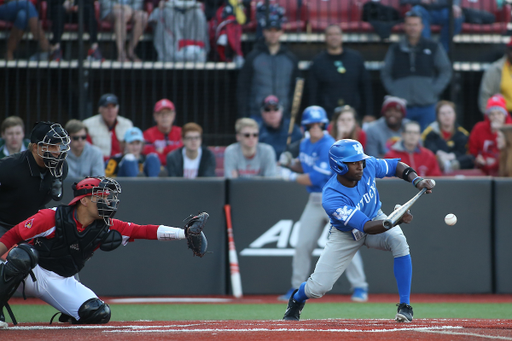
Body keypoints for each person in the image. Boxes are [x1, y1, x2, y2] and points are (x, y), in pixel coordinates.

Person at [0, 176, 208, 328]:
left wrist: (184, 233)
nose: (109, 201)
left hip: (60, 279)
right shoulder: (51, 217)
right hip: (28, 272)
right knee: (22, 255)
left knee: (98, 313)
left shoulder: (107, 225)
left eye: (109, 196)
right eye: (102, 196)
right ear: (83, 200)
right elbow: (9, 238)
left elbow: (143, 230)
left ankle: (69, 314)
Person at [282, 139, 436, 323]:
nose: (360, 166)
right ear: (339, 166)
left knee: (399, 241)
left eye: (360, 160)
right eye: (353, 162)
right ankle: (297, 298)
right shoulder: (332, 197)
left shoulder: (368, 165)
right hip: (346, 235)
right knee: (318, 288)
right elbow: (366, 227)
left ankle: (405, 306)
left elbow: (396, 166)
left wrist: (417, 180)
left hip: (376, 216)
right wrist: (396, 220)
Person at [278, 106, 369, 303]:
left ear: (325, 125)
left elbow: (316, 176)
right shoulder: (304, 144)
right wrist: (288, 163)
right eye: (311, 125)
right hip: (313, 201)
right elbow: (305, 165)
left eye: (319, 124)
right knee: (302, 245)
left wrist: (290, 176)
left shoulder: (328, 144)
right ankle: (296, 287)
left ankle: (360, 286)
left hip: (335, 200)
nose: (315, 128)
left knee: (347, 243)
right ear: (305, 127)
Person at [381, 10, 452, 132]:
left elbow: (445, 70)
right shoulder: (395, 48)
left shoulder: (433, 46)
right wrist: (395, 90)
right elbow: (385, 72)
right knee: (399, 142)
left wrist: (433, 90)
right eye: (409, 24)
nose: (412, 28)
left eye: (415, 25)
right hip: (402, 107)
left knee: (427, 142)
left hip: (427, 105)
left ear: (422, 27)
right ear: (404, 26)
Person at [0, 122, 70, 237]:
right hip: (4, 224)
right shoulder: (9, 167)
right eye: (51, 146)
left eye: (59, 145)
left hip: (32, 223)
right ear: (35, 147)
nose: (57, 151)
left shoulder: (61, 168)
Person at [308, 25, 374, 122]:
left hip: (354, 115)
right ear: (325, 38)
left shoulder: (355, 58)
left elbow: (366, 87)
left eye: (337, 34)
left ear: (342, 37)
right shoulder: (318, 62)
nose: (334, 37)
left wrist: (369, 113)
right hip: (328, 117)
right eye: (330, 34)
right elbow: (313, 93)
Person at [237, 18, 299, 118]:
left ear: (281, 32)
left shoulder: (291, 59)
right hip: (257, 113)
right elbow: (243, 88)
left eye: (276, 31)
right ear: (264, 32)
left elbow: (296, 89)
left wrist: (292, 112)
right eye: (270, 31)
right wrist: (244, 114)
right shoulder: (253, 57)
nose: (273, 34)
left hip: (284, 115)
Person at [422, 100, 474, 173]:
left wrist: (451, 156)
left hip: (457, 165)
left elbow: (464, 152)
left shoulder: (463, 133)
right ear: (438, 116)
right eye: (443, 113)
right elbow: (427, 148)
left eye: (449, 113)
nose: (447, 116)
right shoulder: (430, 132)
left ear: (455, 115)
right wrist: (440, 154)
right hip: (437, 164)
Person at [469, 94, 512, 176]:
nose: (496, 117)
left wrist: (497, 131)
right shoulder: (479, 128)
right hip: (484, 169)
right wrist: (479, 159)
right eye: (492, 114)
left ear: (505, 114)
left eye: (499, 113)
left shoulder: (510, 129)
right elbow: (472, 151)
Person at [83, 93, 133, 160]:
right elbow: (86, 151)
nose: (110, 110)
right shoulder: (88, 124)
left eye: (113, 107)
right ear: (100, 109)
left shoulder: (127, 124)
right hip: (100, 163)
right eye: (106, 107)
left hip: (122, 163)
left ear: (117, 109)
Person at [255, 95, 302, 160]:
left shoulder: (292, 128)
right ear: (262, 113)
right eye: (267, 109)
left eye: (276, 109)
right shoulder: (256, 130)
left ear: (281, 111)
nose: (272, 113)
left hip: (288, 167)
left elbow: (301, 151)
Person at [143, 98, 182, 166]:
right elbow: (150, 155)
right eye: (161, 113)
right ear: (155, 116)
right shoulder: (147, 134)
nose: (165, 117)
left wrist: (164, 150)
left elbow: (185, 151)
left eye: (168, 113)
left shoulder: (181, 132)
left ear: (173, 116)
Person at [478, 38, 512, 115]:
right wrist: (488, 116)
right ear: (507, 51)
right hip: (502, 115)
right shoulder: (495, 69)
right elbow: (485, 94)